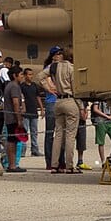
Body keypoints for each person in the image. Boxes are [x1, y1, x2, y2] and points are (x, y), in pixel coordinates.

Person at [46, 46, 83, 174]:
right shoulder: (71, 68)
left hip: (58, 101)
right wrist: (81, 107)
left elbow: (40, 76)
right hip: (70, 101)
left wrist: (49, 88)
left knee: (58, 135)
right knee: (70, 135)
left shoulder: (54, 68)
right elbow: (75, 90)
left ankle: (54, 165)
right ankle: (69, 165)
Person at [2, 66, 27, 173]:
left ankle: (11, 164)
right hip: (13, 118)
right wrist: (19, 119)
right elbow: (16, 103)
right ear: (14, 75)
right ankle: (12, 165)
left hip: (9, 117)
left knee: (12, 140)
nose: (22, 77)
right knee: (12, 141)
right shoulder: (14, 86)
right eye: (21, 74)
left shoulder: (10, 86)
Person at [18, 67, 42, 157]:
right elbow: (21, 98)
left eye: (32, 74)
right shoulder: (22, 86)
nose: (31, 76)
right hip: (26, 113)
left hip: (34, 111)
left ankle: (35, 150)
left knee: (34, 132)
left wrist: (42, 108)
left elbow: (38, 97)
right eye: (29, 74)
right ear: (25, 75)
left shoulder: (34, 85)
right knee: (24, 132)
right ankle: (22, 151)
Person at [92, 99, 111, 166]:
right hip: (100, 121)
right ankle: (103, 161)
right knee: (101, 142)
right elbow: (95, 109)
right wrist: (107, 116)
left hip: (110, 121)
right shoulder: (98, 99)